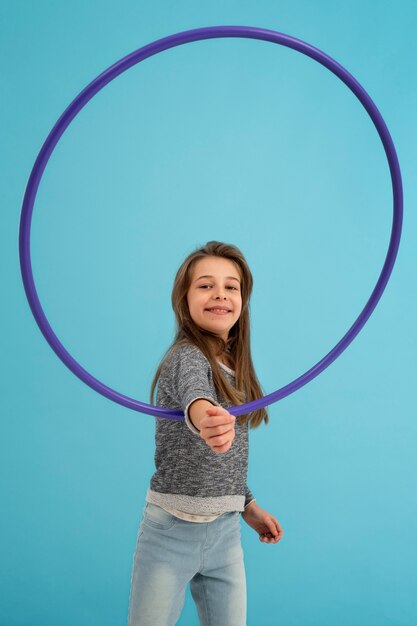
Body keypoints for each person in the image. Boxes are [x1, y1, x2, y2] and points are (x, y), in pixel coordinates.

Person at [128, 241, 284, 626]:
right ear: (184, 299)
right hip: (170, 533)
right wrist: (207, 418)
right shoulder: (186, 357)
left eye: (231, 287)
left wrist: (247, 506)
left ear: (243, 301)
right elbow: (196, 400)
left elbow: (227, 461)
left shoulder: (236, 369)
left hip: (226, 534)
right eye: (205, 285)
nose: (220, 294)